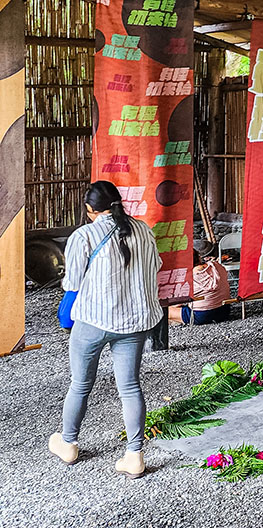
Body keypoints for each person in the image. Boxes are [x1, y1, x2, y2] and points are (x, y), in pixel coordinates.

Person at [50, 180, 163, 479]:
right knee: (130, 387)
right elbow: (156, 266)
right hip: (135, 321)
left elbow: (72, 283)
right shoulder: (143, 229)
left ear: (90, 210)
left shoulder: (84, 235)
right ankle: (135, 455)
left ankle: (68, 444)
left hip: (94, 321)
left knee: (80, 384)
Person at [168, 247, 231, 325]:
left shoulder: (188, 277)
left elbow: (177, 302)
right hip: (224, 311)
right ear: (198, 256)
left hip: (202, 315)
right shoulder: (216, 265)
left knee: (164, 310)